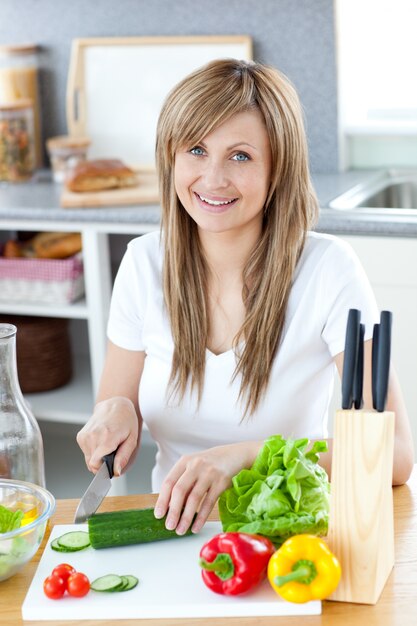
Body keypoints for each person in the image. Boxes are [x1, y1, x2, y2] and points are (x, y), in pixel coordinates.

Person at [77, 59, 414, 536]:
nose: (212, 178)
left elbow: (395, 456)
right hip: (173, 532)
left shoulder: (328, 269)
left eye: (240, 156)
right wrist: (115, 410)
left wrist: (245, 456)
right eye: (196, 149)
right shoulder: (142, 263)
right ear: (170, 157)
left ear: (278, 168)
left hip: (291, 539)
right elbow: (115, 399)